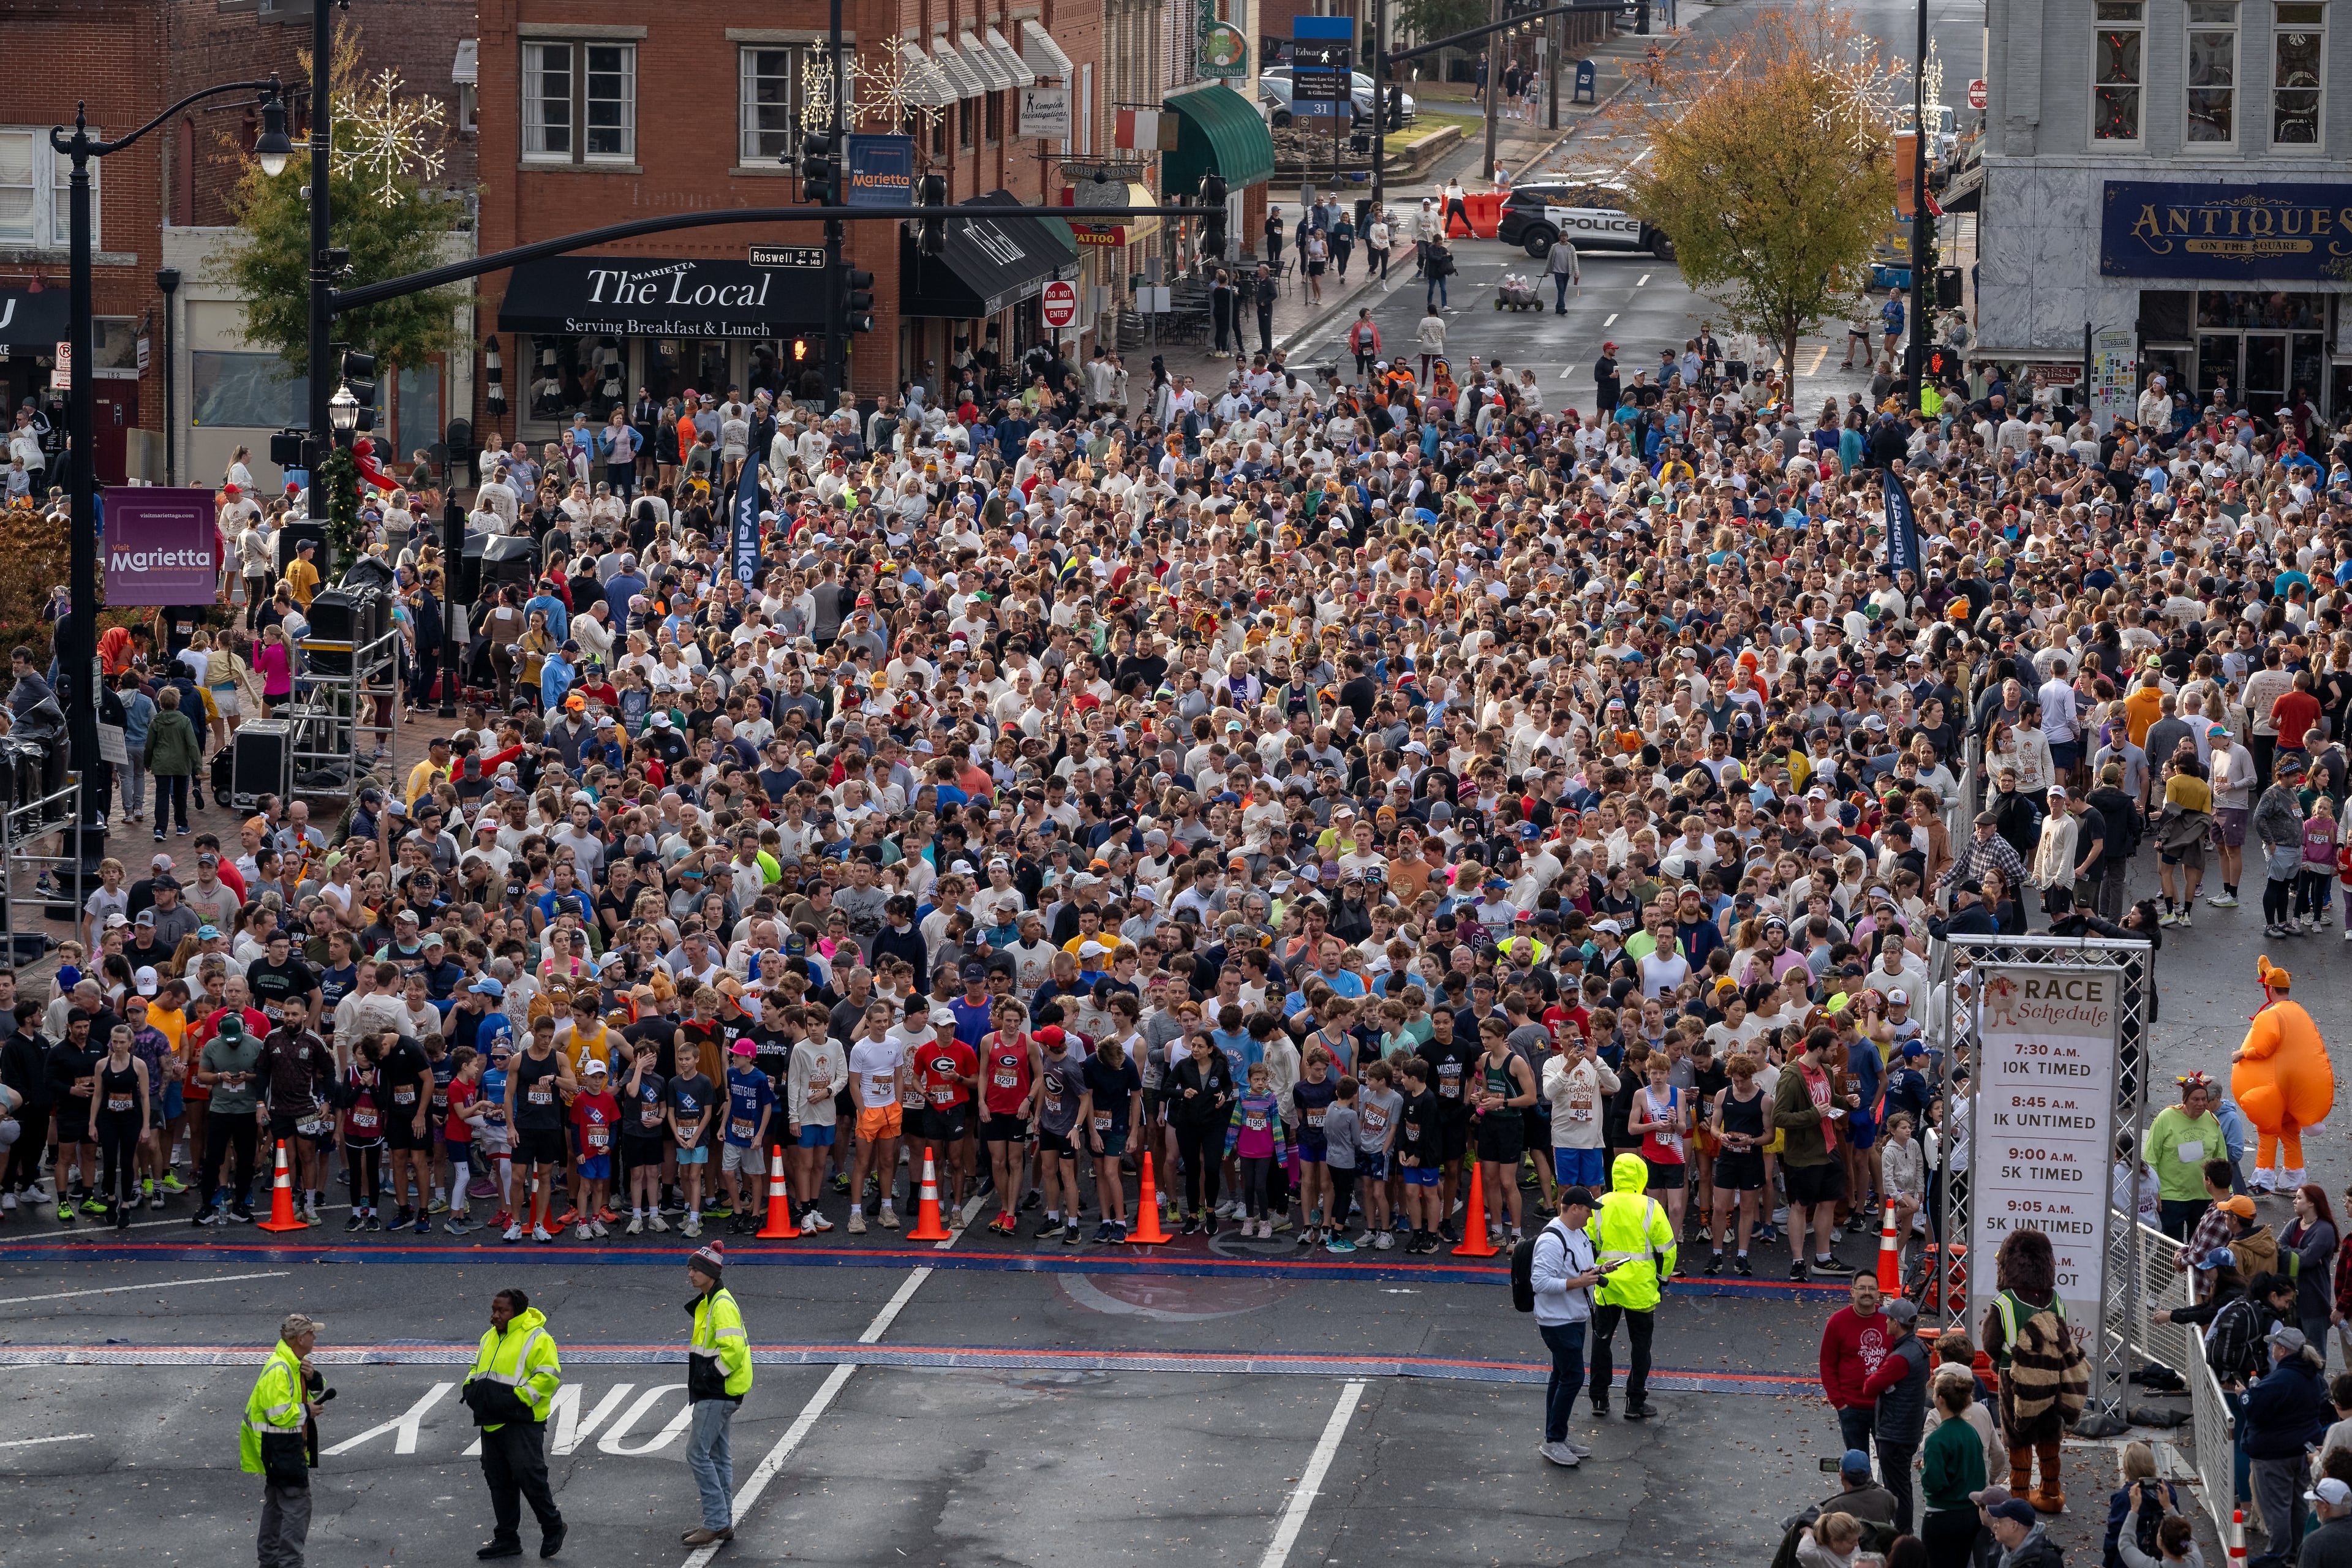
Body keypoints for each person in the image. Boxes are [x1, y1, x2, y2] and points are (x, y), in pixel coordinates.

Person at [461, 1286, 565, 1561]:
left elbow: (548, 1377)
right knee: (498, 1480)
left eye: (502, 1311)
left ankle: (553, 1527)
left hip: (522, 1421)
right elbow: (476, 1368)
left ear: (516, 1313)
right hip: (492, 1421)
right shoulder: (489, 1337)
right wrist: (469, 1388)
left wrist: (515, 1399)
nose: (495, 1315)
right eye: (494, 1310)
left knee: (529, 1477)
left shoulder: (537, 1338)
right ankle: (507, 1539)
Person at [1588, 1149, 1676, 1420]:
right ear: (1641, 1177)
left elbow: (1590, 1243)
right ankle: (1635, 1402)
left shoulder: (1601, 1203)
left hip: (1607, 1283)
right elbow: (1668, 1251)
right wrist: (1661, 1281)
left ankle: (1600, 1399)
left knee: (1601, 1341)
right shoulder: (1650, 1206)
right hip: (1641, 1288)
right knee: (1641, 1347)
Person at [680, 1237, 752, 1548]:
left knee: (697, 1453)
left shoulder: (720, 1305)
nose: (691, 1274)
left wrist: (710, 1377)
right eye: (690, 1269)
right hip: (723, 1392)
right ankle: (724, 1522)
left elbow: (733, 1352)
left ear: (710, 1272)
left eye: (696, 1269)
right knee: (719, 1457)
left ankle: (716, 1522)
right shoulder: (712, 1301)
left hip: (716, 1393)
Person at [242, 1310, 325, 1567]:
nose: (315, 1338)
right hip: (282, 1449)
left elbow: (308, 1391)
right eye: (312, 1333)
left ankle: (269, 1562)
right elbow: (278, 1413)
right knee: (297, 1508)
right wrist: (306, 1411)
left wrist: (313, 1378)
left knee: (277, 1507)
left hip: (277, 1448)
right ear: (300, 1338)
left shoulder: (292, 1363)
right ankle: (289, 1564)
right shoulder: (280, 1368)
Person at [1529, 1182, 1604, 1466]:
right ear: (1574, 1208)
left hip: (1572, 1317)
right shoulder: (1551, 1240)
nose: (1590, 1215)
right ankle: (1554, 1440)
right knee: (1573, 1377)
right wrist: (1579, 1283)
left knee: (1560, 1375)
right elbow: (1540, 1282)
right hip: (1557, 1322)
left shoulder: (1578, 1233)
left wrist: (1596, 1271)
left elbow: (1577, 1269)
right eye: (1588, 1210)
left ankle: (1557, 1436)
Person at [1860, 1297, 1932, 1536]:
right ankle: (1904, 1533)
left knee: (1897, 1488)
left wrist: (1878, 1375)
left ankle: (1902, 1535)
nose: (1886, 1321)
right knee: (1901, 1485)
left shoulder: (1900, 1358)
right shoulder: (1919, 1348)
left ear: (1897, 1323)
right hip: (1907, 1429)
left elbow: (1870, 1387)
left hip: (1894, 1433)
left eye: (1889, 1318)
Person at [1548, 235, 1580, 313]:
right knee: (1561, 290)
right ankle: (1562, 308)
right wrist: (1546, 272)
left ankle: (1558, 307)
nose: (1564, 238)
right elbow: (1549, 260)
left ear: (1567, 237)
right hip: (1558, 272)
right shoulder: (1555, 247)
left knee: (1563, 291)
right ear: (1560, 237)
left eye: (1565, 236)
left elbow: (1575, 261)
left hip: (1567, 273)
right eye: (1562, 236)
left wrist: (1577, 273)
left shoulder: (1571, 247)